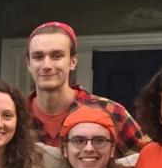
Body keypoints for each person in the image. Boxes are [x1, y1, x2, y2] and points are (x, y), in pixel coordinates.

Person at [24, 22, 147, 153]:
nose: (46, 65)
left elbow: (148, 159)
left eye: (57, 56)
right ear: (29, 64)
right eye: (38, 57)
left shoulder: (111, 112)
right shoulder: (14, 116)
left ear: (73, 61)